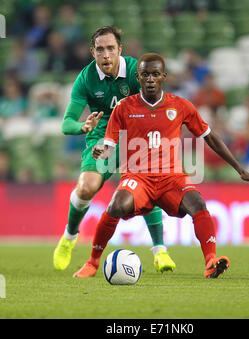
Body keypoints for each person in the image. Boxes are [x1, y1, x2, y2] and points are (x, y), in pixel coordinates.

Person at [73, 53, 249, 278]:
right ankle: (92, 262)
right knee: (116, 205)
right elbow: (109, 144)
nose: (150, 79)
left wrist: (241, 170)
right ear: (137, 77)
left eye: (155, 74)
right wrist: (101, 151)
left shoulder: (180, 106)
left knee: (197, 203)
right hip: (138, 177)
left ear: (163, 77)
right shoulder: (124, 107)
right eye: (145, 74)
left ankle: (210, 261)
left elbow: (210, 137)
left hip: (172, 178)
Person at [53, 27, 176, 273]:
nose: (106, 54)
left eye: (111, 48)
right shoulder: (86, 78)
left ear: (120, 50)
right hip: (101, 137)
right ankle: (69, 236)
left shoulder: (135, 71)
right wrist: (83, 126)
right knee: (86, 188)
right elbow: (67, 123)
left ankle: (160, 250)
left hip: (134, 137)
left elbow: (157, 103)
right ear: (93, 52)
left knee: (148, 185)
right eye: (100, 49)